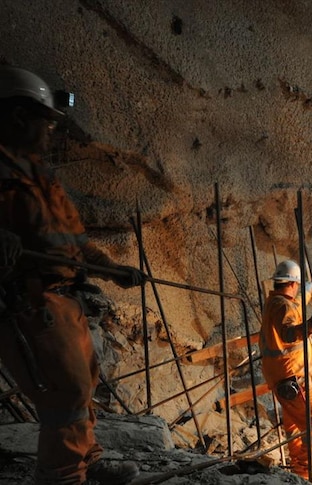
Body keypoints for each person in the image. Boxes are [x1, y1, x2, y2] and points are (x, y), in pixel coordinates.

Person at [0, 66, 144, 484]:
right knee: (64, 393)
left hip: (65, 299)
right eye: (45, 123)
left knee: (84, 385)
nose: (50, 132)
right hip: (29, 303)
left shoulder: (42, 177)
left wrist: (112, 269)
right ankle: (62, 477)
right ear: (17, 117)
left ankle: (87, 459)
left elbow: (76, 243)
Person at [259, 259, 312, 482]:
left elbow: (297, 303)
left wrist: (308, 288)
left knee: (294, 426)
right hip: (292, 376)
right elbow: (289, 334)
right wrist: (311, 325)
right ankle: (307, 473)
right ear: (292, 283)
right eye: (297, 285)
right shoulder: (283, 306)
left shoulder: (277, 302)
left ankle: (298, 471)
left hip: (283, 376)